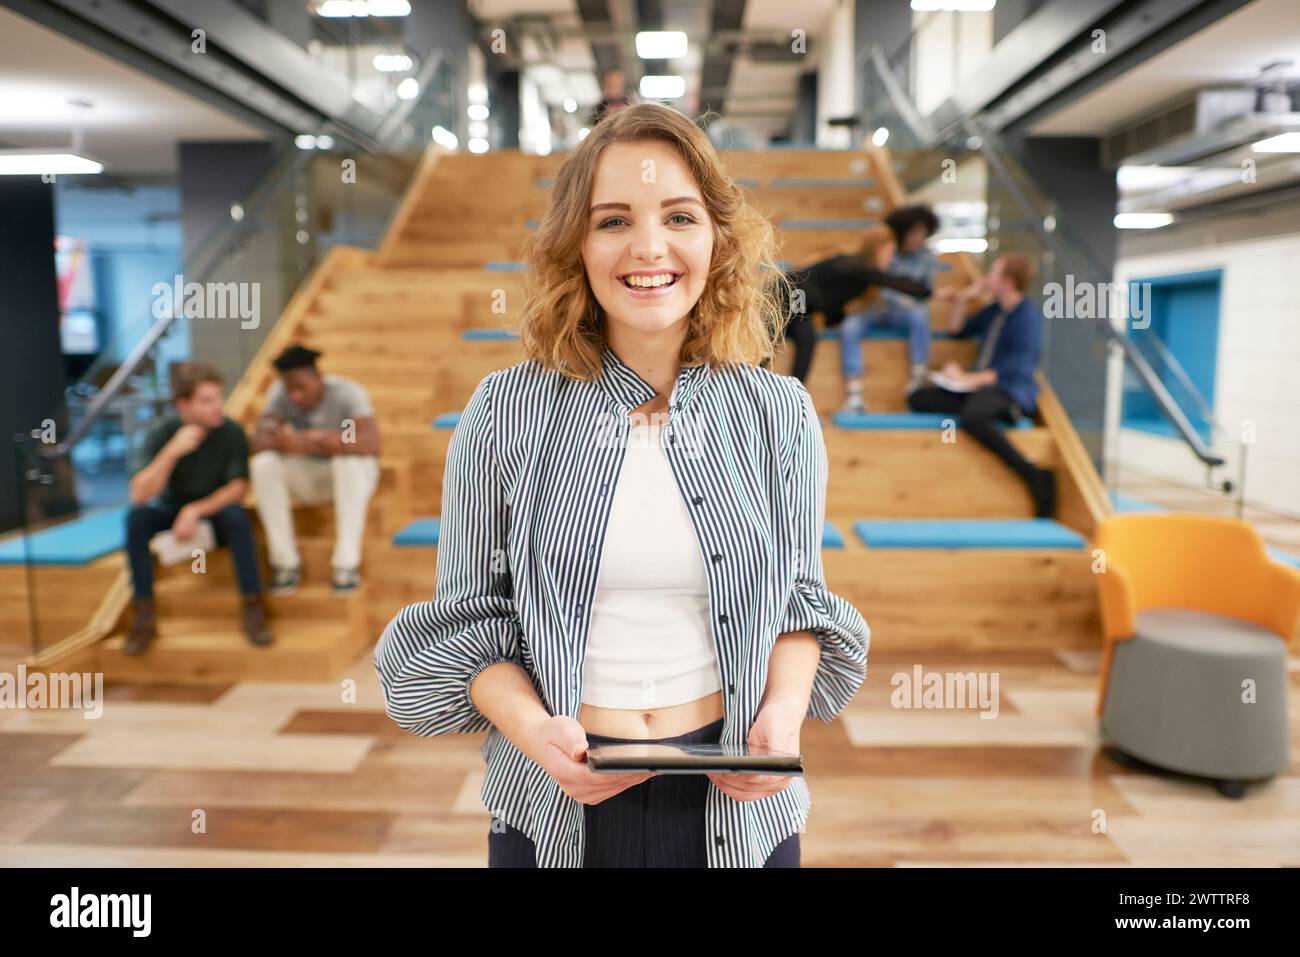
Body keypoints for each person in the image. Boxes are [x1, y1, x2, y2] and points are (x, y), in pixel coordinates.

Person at [374, 102, 870, 868]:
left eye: (679, 216)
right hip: (555, 804)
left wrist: (783, 709)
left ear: (716, 239)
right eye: (613, 221)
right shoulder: (503, 411)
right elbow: (469, 624)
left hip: (735, 811)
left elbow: (800, 602)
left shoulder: (780, 413)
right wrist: (535, 731)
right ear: (577, 242)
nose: (648, 247)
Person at [124, 361, 271, 654]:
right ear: (183, 405)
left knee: (237, 516)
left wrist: (195, 511)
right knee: (136, 519)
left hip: (213, 512)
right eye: (207, 400)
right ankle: (144, 613)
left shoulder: (230, 432)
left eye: (218, 397)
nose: (218, 405)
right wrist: (171, 452)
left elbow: (237, 489)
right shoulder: (161, 433)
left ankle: (253, 606)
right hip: (170, 511)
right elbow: (139, 494)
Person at [908, 252, 1058, 518]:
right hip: (980, 388)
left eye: (994, 273)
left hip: (1010, 390)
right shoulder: (994, 311)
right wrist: (964, 299)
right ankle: (982, 404)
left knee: (973, 417)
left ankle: (1034, 475)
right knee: (919, 398)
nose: (988, 277)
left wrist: (965, 378)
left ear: (1008, 282)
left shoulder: (1026, 319)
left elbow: (1011, 370)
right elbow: (957, 330)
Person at [249, 344, 380, 596]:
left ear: (318, 376)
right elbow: (261, 441)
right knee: (263, 463)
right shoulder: (280, 394)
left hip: (350, 477)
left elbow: (371, 442)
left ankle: (346, 565)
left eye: (300, 387)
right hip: (311, 476)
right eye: (289, 389)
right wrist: (316, 441)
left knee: (348, 462)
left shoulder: (347, 393)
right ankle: (285, 564)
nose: (295, 396)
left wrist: (319, 441)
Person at [773, 225, 933, 382]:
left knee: (807, 337)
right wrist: (928, 291)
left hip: (800, 305)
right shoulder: (858, 266)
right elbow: (892, 282)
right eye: (889, 253)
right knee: (772, 338)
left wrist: (835, 319)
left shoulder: (858, 271)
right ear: (878, 249)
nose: (890, 259)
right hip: (789, 293)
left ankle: (795, 390)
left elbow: (832, 300)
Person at [838, 205, 942, 411]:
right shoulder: (886, 249)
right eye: (914, 233)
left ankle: (918, 376)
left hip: (903, 312)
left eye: (923, 234)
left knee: (920, 314)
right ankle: (854, 392)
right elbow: (879, 284)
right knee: (850, 326)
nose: (918, 239)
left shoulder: (927, 258)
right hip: (875, 307)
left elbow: (923, 291)